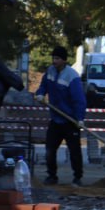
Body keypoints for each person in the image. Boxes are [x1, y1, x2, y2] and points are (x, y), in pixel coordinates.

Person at [35, 45, 87, 185]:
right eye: (53, 58)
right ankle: (52, 176)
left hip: (70, 121)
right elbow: (44, 85)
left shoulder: (72, 76)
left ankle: (77, 177)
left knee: (74, 151)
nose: (54, 61)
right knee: (49, 150)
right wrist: (40, 94)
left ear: (64, 60)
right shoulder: (50, 71)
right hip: (56, 120)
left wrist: (80, 118)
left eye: (57, 58)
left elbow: (79, 100)